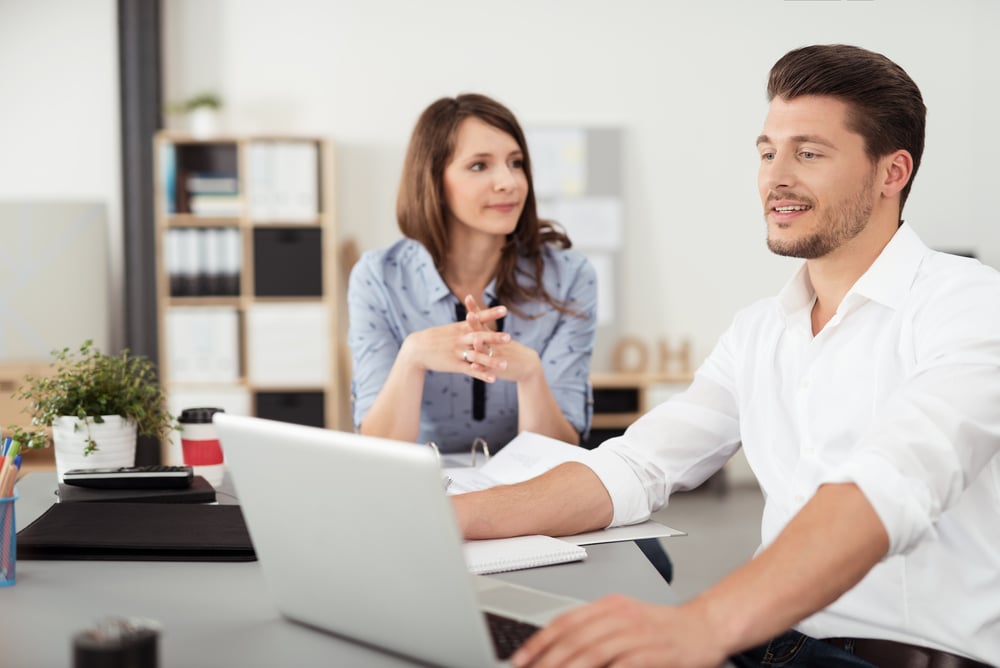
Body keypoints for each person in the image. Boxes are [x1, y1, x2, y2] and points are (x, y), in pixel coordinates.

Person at [453, 44, 1000, 668]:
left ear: (891, 173)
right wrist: (441, 518)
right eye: (767, 152)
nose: (776, 177)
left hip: (898, 655)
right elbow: (635, 466)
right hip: (774, 643)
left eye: (809, 153)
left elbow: (891, 484)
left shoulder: (970, 304)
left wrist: (702, 624)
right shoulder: (759, 329)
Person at [348, 93, 597, 451]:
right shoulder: (378, 277)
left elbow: (559, 452)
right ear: (433, 180)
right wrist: (413, 356)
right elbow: (378, 451)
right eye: (480, 165)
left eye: (516, 163)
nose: (509, 182)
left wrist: (529, 375)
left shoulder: (570, 277)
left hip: (526, 492)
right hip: (418, 491)